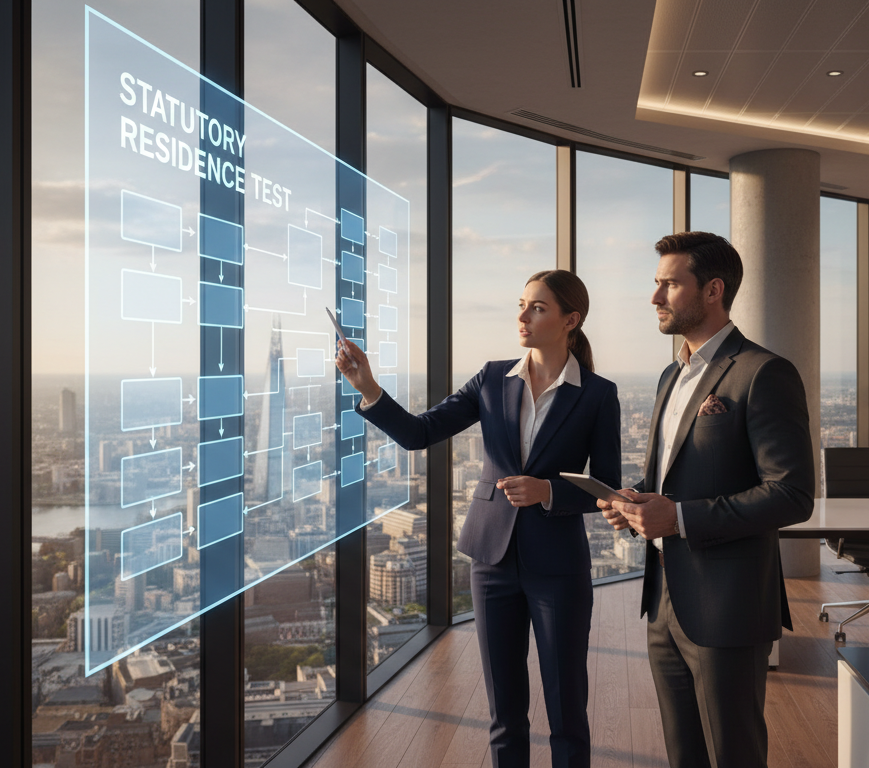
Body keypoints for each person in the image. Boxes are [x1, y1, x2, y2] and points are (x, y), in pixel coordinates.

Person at [336, 270, 620, 768]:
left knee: (567, 711)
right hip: (490, 561)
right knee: (504, 713)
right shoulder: (492, 378)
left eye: (537, 308)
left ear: (570, 320)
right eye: (522, 304)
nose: (522, 316)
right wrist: (370, 388)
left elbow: (607, 489)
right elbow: (420, 433)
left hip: (558, 566)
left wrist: (548, 490)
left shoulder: (598, 394)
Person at [597, 231, 814, 768]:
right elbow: (674, 481)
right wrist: (635, 506)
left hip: (728, 603)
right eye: (656, 284)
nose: (655, 298)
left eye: (670, 284)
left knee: (733, 753)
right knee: (683, 754)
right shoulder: (672, 374)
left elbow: (792, 494)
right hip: (664, 600)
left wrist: (680, 518)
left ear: (713, 290)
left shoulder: (763, 372)